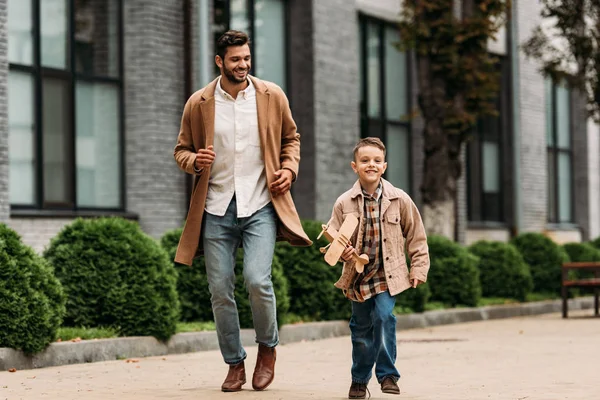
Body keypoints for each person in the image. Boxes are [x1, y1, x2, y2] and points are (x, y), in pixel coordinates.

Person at [173, 30, 312, 392]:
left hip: (261, 204)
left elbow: (291, 138)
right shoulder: (199, 103)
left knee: (257, 280)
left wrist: (289, 169)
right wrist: (194, 161)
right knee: (219, 289)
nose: (243, 65)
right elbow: (181, 150)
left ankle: (267, 348)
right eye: (235, 59)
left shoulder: (271, 96)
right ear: (220, 61)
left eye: (247, 58)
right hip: (216, 207)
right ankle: (234, 363)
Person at [325, 137, 430, 399]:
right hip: (358, 278)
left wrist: (418, 268)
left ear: (384, 166)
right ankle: (359, 379)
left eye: (376, 161)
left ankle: (387, 375)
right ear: (354, 166)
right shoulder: (344, 202)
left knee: (384, 317)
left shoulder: (399, 199)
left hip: (388, 275)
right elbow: (333, 237)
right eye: (364, 160)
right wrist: (343, 252)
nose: (370, 164)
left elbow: (416, 235)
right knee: (360, 329)